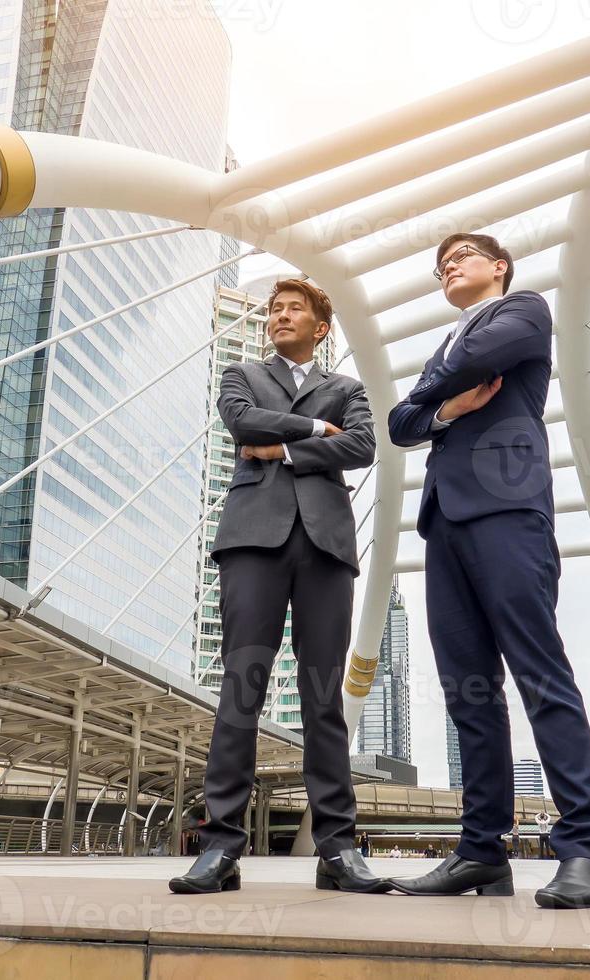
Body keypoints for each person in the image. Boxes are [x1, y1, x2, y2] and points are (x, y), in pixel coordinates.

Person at [386, 234, 590, 910]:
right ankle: (482, 852)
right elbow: (399, 424)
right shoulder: (448, 348)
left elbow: (475, 364)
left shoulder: (524, 310)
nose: (447, 267)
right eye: (439, 265)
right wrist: (447, 408)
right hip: (443, 522)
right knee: (469, 692)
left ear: (499, 266)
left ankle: (584, 853)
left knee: (540, 672)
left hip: (508, 508)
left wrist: (432, 399)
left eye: (460, 257)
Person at [170, 279, 389, 896]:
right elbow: (241, 423)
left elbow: (365, 443)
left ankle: (338, 850)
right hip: (251, 540)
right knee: (241, 689)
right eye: (274, 308)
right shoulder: (241, 373)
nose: (280, 315)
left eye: (294, 308)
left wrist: (287, 449)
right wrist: (319, 432)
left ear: (322, 327)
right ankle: (219, 848)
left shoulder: (348, 388)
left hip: (325, 546)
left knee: (324, 697)